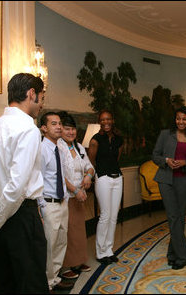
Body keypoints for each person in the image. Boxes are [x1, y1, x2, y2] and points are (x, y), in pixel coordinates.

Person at [0, 73, 48, 293]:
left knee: (3, 284)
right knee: (32, 284)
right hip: (22, 217)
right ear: (31, 94)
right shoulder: (28, 129)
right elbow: (17, 187)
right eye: (41, 98)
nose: (41, 105)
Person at [152, 105, 186, 270]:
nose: (181, 121)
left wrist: (185, 163)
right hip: (166, 180)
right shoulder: (165, 134)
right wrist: (166, 160)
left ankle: (172, 254)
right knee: (173, 217)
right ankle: (183, 256)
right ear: (175, 119)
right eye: (178, 118)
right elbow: (155, 155)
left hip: (184, 181)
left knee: (179, 217)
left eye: (184, 119)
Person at [37, 111, 74, 291]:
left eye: (59, 123)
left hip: (62, 202)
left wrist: (65, 197)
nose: (59, 127)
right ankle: (46, 282)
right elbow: (38, 180)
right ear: (44, 128)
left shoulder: (58, 147)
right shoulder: (42, 150)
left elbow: (60, 175)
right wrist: (41, 208)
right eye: (54, 124)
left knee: (61, 241)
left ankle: (54, 277)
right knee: (50, 245)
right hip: (49, 204)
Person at [56, 113, 95, 279]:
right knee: (67, 231)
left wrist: (88, 177)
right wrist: (75, 191)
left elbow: (89, 166)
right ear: (60, 130)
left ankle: (78, 261)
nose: (71, 132)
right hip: (67, 196)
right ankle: (66, 266)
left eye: (73, 129)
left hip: (79, 196)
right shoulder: (57, 146)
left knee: (78, 230)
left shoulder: (78, 147)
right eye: (67, 129)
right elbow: (59, 174)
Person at [88, 110, 123, 265]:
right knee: (105, 215)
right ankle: (100, 252)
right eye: (102, 120)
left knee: (114, 216)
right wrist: (97, 176)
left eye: (108, 119)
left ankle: (109, 250)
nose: (106, 122)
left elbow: (117, 159)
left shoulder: (119, 140)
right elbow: (91, 162)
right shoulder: (95, 140)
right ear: (99, 122)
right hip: (103, 178)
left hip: (118, 179)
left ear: (113, 120)